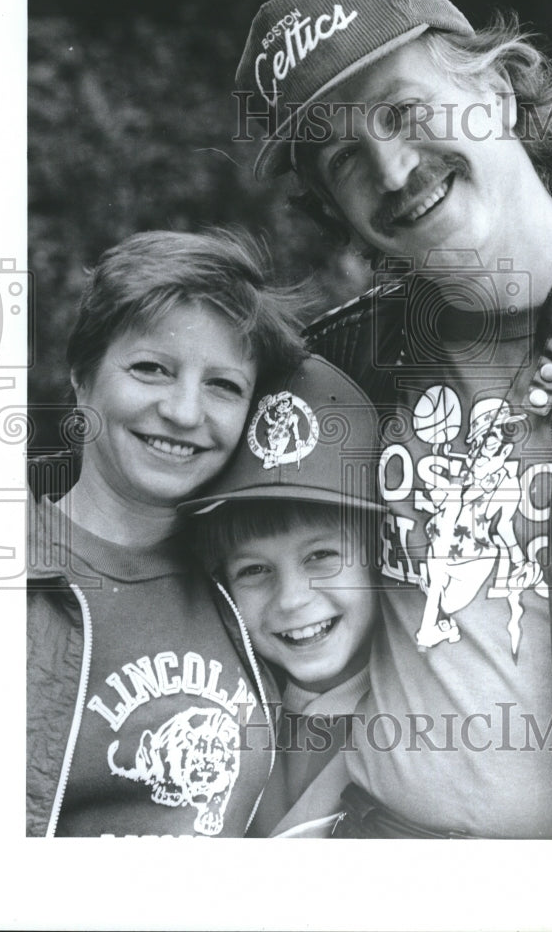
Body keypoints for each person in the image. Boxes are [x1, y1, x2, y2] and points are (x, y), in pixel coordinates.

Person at [235, 0, 552, 838]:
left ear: (493, 84)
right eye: (344, 157)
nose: (393, 167)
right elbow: (145, 478)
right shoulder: (344, 360)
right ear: (333, 204)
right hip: (376, 847)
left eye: (403, 113)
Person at [26, 227, 306, 837]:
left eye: (223, 385)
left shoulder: (252, 581)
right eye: (152, 369)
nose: (184, 412)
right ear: (82, 376)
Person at [182, 354, 385, 837]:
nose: (292, 599)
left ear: (382, 554)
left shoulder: (425, 711)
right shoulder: (221, 715)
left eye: (320, 556)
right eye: (253, 569)